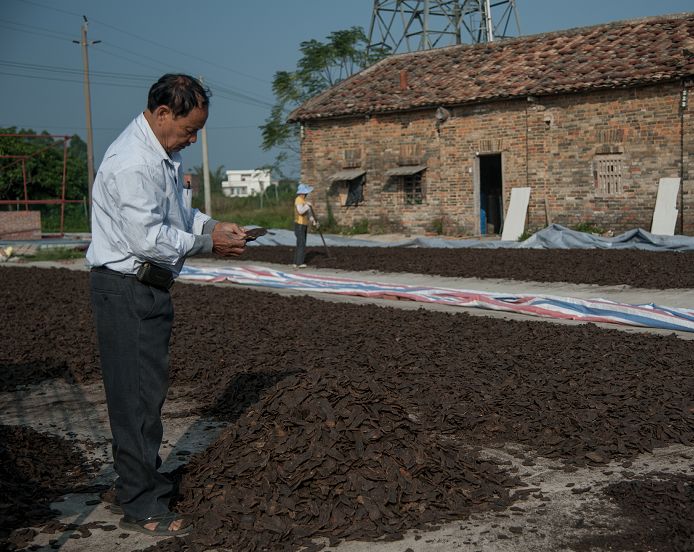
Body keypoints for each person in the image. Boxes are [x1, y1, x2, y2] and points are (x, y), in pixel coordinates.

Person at [86, 74, 247, 537]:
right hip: (126, 287)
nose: (193, 139)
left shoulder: (162, 156)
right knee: (136, 397)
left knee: (143, 392)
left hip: (146, 286)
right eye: (189, 129)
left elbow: (176, 214)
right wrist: (207, 242)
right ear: (161, 114)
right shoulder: (131, 163)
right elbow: (149, 238)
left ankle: (130, 482)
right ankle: (143, 505)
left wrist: (214, 224)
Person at [293, 182, 319, 267]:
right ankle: (299, 263)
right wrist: (307, 206)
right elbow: (300, 211)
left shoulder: (304, 201)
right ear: (301, 193)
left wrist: (314, 221)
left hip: (304, 224)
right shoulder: (298, 200)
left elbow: (309, 214)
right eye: (305, 193)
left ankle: (296, 262)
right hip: (299, 225)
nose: (306, 194)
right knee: (301, 243)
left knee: (301, 243)